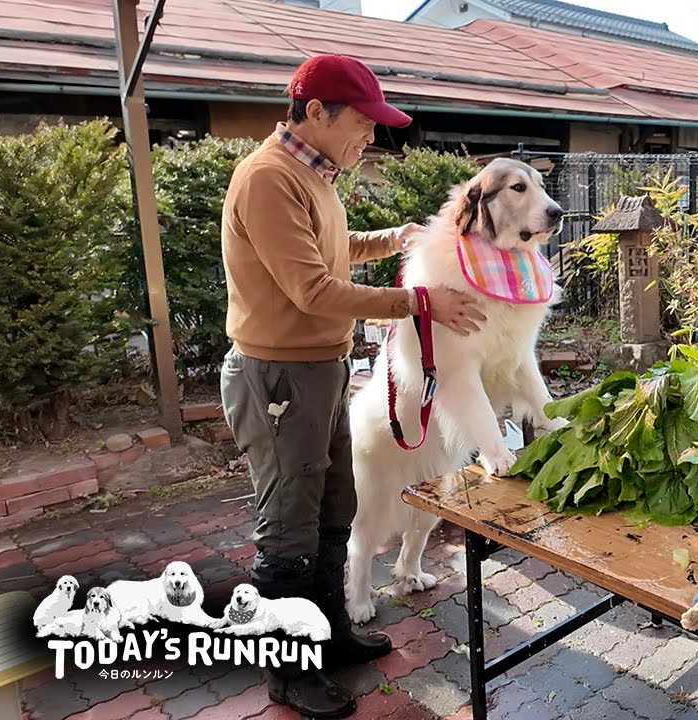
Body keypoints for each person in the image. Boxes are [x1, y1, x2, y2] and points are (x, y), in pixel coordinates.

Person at [219, 54, 484, 718]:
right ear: (315, 113)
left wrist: (392, 237)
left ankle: (330, 633)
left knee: (334, 509)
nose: (370, 135)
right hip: (279, 377)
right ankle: (288, 673)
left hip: (321, 370)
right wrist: (418, 303)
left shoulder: (315, 176)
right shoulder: (268, 179)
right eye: (362, 122)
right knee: (289, 528)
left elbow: (329, 251)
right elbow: (312, 288)